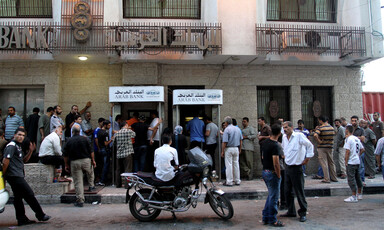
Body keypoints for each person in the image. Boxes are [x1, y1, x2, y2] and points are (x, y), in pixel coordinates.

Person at [2, 128, 50, 226]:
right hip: (14, 176)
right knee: (29, 194)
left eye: (23, 135)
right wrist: (3, 174)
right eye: (19, 134)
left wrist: (30, 152)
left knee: (18, 198)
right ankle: (40, 215)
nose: (21, 137)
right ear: (14, 135)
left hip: (18, 174)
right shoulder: (11, 146)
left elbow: (23, 161)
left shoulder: (18, 146)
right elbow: (5, 161)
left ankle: (21, 219)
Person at [281, 121, 314, 223]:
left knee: (299, 191)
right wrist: (283, 156)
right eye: (284, 128)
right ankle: (291, 210)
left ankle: (303, 212)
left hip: (296, 167)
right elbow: (283, 148)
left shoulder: (299, 136)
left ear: (291, 127)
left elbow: (309, 145)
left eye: (286, 127)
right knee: (287, 191)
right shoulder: (284, 137)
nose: (285, 129)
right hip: (287, 166)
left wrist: (307, 158)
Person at [63, 125, 96, 207]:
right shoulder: (85, 139)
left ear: (72, 132)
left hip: (75, 162)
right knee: (90, 171)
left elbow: (65, 154)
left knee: (78, 181)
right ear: (79, 131)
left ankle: (80, 200)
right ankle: (91, 185)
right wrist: (93, 160)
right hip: (86, 160)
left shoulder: (69, 141)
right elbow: (91, 151)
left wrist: (66, 164)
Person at [261, 123, 284, 227]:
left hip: (265, 171)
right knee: (274, 197)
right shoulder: (275, 145)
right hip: (272, 172)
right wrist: (278, 174)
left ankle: (266, 216)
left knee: (271, 195)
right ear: (279, 133)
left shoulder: (265, 142)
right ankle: (272, 219)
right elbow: (276, 162)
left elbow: (262, 156)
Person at [343, 125, 364, 203]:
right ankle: (359, 193)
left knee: (351, 179)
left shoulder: (349, 139)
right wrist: (357, 155)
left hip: (351, 162)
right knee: (357, 177)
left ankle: (354, 196)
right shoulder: (356, 139)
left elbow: (347, 151)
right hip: (357, 161)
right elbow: (362, 149)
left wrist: (346, 161)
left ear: (347, 130)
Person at [314, 115, 337, 183]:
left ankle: (327, 178)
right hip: (330, 146)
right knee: (331, 162)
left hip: (322, 147)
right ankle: (334, 177)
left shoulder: (320, 128)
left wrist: (319, 141)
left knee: (324, 163)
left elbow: (315, 135)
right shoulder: (332, 128)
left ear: (321, 120)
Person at [221, 116, 243, 186]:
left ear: (226, 122)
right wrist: (240, 149)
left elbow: (224, 142)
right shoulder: (237, 129)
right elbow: (241, 140)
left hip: (229, 148)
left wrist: (222, 151)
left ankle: (229, 181)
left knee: (229, 165)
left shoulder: (227, 130)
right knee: (236, 164)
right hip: (236, 148)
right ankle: (237, 180)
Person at [114, 121, 136, 188]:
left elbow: (115, 142)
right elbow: (134, 134)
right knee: (128, 169)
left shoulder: (117, 133)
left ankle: (118, 184)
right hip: (127, 153)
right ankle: (127, 185)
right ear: (126, 125)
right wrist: (129, 128)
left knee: (118, 169)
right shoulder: (128, 131)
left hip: (119, 154)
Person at [97, 120, 113, 186]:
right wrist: (111, 140)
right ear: (105, 125)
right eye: (109, 125)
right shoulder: (105, 133)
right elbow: (106, 143)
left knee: (103, 165)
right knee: (106, 166)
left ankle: (101, 179)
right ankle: (103, 180)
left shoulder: (99, 131)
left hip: (101, 149)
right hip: (105, 149)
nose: (109, 127)